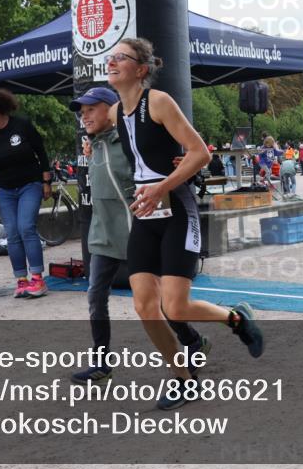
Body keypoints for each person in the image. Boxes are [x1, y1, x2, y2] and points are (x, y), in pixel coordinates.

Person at [107, 38, 264, 411]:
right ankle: (183, 379)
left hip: (176, 207)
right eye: (109, 56)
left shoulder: (158, 102)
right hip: (146, 214)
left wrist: (162, 185)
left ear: (141, 69)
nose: (111, 61)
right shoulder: (114, 111)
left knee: (175, 308)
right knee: (145, 307)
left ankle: (235, 319)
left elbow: (201, 152)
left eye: (120, 57)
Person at [68, 86, 210, 385]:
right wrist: (93, 144)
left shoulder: (133, 141)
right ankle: (102, 362)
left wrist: (181, 163)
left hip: (141, 228)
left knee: (157, 302)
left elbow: (180, 160)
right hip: (103, 236)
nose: (84, 116)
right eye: (82, 112)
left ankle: (191, 339)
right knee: (96, 295)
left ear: (112, 109)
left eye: (90, 109)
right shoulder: (93, 145)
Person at [0, 87, 52, 299]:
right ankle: (21, 279)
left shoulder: (22, 125)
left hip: (30, 184)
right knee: (12, 233)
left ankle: (37, 277)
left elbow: (41, 152)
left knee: (26, 227)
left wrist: (47, 182)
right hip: (5, 190)